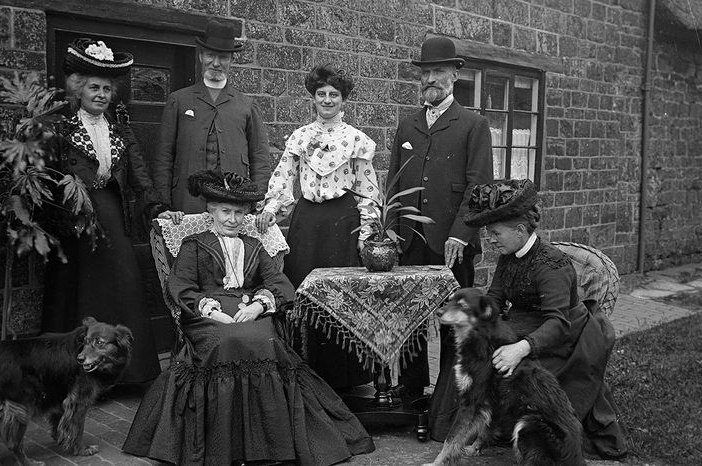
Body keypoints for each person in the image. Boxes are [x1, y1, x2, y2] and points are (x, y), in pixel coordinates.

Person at [123, 170, 375, 466]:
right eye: (225, 212)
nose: (232, 219)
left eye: (238, 213)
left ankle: (270, 443)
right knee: (227, 340)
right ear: (211, 211)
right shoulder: (194, 244)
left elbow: (279, 283)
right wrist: (210, 309)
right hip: (206, 315)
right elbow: (180, 286)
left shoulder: (254, 246)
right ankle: (225, 445)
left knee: (265, 340)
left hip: (250, 309)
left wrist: (259, 305)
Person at [429, 179, 628, 459]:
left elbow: (559, 323)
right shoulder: (507, 256)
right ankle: (455, 430)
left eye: (496, 233)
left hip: (563, 336)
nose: (491, 239)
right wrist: (474, 328)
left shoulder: (552, 264)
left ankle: (495, 427)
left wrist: (519, 348)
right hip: (521, 324)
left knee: (508, 369)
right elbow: (495, 301)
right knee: (471, 355)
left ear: (520, 230)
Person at [41, 38, 180, 385]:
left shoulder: (119, 131)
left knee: (124, 282)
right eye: (93, 87)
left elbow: (140, 176)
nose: (101, 94)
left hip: (113, 215)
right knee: (77, 291)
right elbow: (48, 177)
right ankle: (73, 375)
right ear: (78, 89)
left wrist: (157, 208)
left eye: (106, 88)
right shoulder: (62, 129)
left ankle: (128, 374)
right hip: (74, 220)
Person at [255, 64, 380, 388]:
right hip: (308, 223)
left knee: (341, 296)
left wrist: (367, 233)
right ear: (313, 98)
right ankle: (305, 371)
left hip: (342, 223)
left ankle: (345, 376)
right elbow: (283, 179)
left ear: (343, 100)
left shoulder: (356, 140)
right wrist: (271, 208)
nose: (327, 100)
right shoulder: (300, 137)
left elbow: (367, 190)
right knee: (304, 293)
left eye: (333, 95)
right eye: (321, 94)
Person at [387, 36, 493, 398]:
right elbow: (393, 182)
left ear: (454, 75)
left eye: (439, 71)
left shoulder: (473, 125)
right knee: (410, 320)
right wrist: (390, 231)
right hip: (409, 240)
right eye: (426, 72)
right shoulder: (408, 125)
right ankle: (413, 392)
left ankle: (449, 400)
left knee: (454, 322)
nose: (431, 78)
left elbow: (480, 188)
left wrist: (461, 234)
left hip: (452, 244)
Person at [152, 18, 273, 215]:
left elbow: (259, 157)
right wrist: (163, 204)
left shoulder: (247, 105)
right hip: (187, 201)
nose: (215, 63)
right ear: (200, 56)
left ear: (231, 61)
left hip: (233, 202)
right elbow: (164, 157)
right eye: (210, 55)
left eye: (223, 57)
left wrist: (257, 200)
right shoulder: (179, 100)